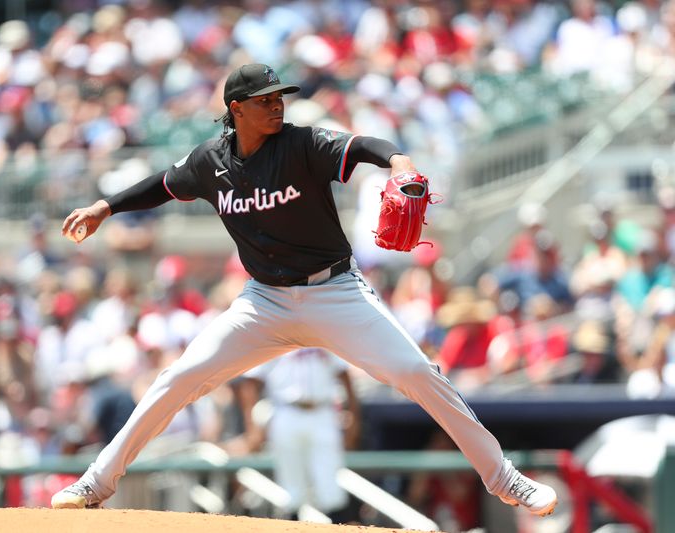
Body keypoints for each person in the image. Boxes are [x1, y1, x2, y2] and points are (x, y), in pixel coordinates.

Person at [51, 63, 557, 517]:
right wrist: (105, 208)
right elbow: (162, 184)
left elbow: (359, 146)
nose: (277, 106)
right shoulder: (211, 161)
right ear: (236, 109)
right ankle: (96, 482)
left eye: (280, 98)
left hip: (334, 292)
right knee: (179, 377)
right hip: (264, 302)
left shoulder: (301, 144)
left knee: (415, 372)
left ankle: (505, 479)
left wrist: (398, 161)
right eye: (266, 100)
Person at [238, 347, 360, 522]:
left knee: (329, 478)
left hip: (323, 411)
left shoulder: (324, 332)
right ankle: (293, 522)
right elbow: (251, 381)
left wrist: (354, 416)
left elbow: (344, 374)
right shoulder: (275, 333)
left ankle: (337, 522)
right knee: (291, 482)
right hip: (286, 411)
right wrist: (252, 426)